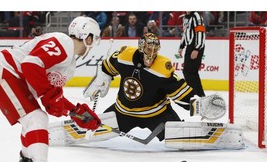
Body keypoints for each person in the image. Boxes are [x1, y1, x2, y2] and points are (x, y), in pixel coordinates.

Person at [0, 16, 101, 162]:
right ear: (89, 37)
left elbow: (52, 100)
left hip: (13, 78)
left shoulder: (69, 64)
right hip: (5, 72)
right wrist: (49, 95)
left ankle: (27, 159)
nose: (93, 44)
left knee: (33, 118)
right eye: (94, 39)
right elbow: (31, 64)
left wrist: (76, 112)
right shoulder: (63, 42)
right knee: (36, 118)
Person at [82, 33, 224, 142]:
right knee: (95, 129)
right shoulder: (124, 56)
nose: (151, 54)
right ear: (141, 48)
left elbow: (179, 91)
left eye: (155, 49)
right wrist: (102, 78)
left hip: (156, 115)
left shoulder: (162, 67)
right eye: (149, 49)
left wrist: (198, 105)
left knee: (179, 137)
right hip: (123, 112)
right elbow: (108, 66)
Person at [178, 11, 206, 97]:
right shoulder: (185, 17)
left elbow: (200, 32)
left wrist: (197, 48)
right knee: (191, 72)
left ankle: (196, 94)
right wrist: (181, 46)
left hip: (196, 46)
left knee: (189, 72)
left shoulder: (196, 16)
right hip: (190, 46)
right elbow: (185, 33)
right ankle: (199, 95)